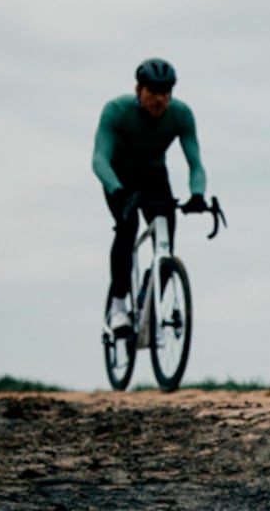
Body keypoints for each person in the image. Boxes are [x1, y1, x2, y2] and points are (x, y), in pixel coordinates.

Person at [92, 57, 208, 335]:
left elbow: (196, 163)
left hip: (154, 176)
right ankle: (118, 307)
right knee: (127, 227)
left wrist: (197, 194)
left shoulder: (181, 115)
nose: (159, 99)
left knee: (166, 241)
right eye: (153, 92)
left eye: (165, 93)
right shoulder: (116, 111)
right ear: (138, 90)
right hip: (118, 176)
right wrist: (117, 191)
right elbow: (99, 159)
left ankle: (148, 296)